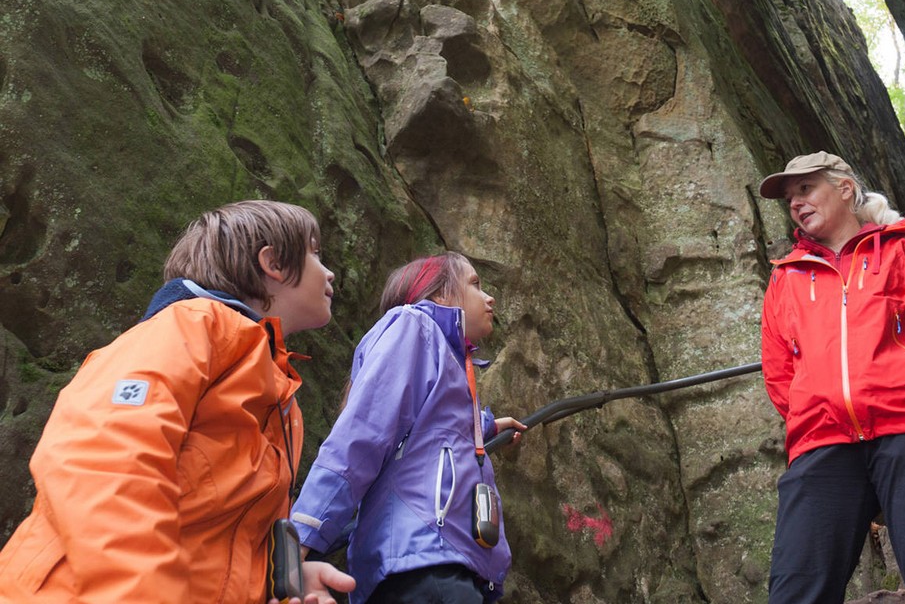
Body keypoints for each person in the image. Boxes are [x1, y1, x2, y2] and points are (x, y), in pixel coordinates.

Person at [0, 199, 355, 604]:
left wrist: (282, 582)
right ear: (272, 262)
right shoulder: (190, 326)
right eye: (313, 252)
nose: (329, 272)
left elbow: (222, 539)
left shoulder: (281, 398)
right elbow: (104, 457)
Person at [758, 151, 905, 603]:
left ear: (844, 188)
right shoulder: (785, 279)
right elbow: (780, 371)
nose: (796, 203)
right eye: (789, 198)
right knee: (796, 588)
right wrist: (815, 410)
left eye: (806, 189)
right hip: (823, 443)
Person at [290, 251, 526, 604]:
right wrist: (300, 538)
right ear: (440, 295)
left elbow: (437, 429)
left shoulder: (449, 357)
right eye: (475, 285)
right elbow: (362, 434)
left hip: (442, 563)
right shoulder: (413, 325)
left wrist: (487, 426)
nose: (489, 298)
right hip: (422, 564)